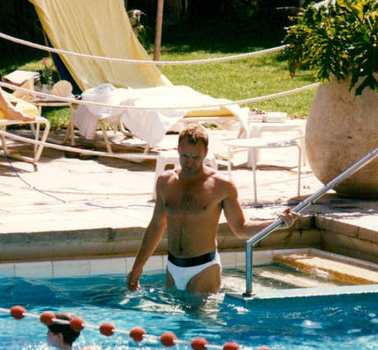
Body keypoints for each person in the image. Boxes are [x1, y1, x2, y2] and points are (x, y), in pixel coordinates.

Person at [127, 123, 300, 296]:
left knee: (198, 322)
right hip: (173, 267)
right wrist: (137, 267)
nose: (189, 162)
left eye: (196, 157)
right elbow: (157, 225)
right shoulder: (165, 181)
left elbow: (241, 228)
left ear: (206, 153)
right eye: (185, 155)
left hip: (203, 268)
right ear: (178, 149)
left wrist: (276, 224)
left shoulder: (221, 186)